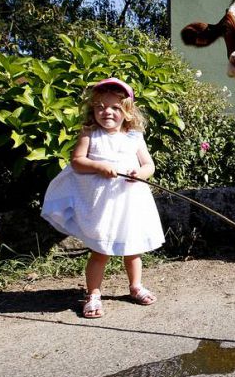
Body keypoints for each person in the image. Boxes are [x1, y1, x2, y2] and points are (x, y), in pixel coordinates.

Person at [41, 78, 164, 318]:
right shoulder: (90, 134)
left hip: (129, 201)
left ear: (127, 111)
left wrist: (140, 173)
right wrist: (98, 166)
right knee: (101, 250)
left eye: (115, 107)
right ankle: (94, 293)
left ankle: (135, 286)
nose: (107, 112)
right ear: (92, 109)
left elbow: (149, 165)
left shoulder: (134, 136)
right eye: (100, 107)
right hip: (103, 205)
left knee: (133, 247)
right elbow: (77, 162)